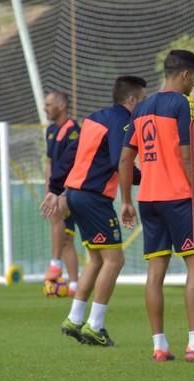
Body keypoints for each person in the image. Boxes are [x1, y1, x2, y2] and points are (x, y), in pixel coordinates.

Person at [119, 50, 194, 363]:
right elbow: (187, 157)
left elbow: (126, 158)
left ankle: (160, 345)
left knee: (156, 271)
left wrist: (125, 201)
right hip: (178, 197)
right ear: (186, 75)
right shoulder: (184, 104)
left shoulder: (140, 109)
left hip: (148, 199)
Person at [49, 76, 146, 346]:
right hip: (93, 198)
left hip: (76, 195)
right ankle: (95, 325)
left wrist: (56, 187)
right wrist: (148, 177)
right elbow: (121, 161)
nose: (144, 104)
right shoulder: (123, 122)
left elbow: (70, 154)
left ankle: (75, 318)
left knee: (96, 259)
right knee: (115, 261)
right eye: (143, 99)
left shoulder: (94, 118)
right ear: (132, 100)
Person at [40, 91, 79, 294]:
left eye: (48, 104)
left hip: (69, 190)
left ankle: (55, 264)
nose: (45, 108)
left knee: (57, 221)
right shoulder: (50, 131)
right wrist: (48, 189)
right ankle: (74, 285)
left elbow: (74, 163)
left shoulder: (74, 130)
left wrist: (63, 192)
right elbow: (50, 162)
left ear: (61, 106)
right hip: (55, 190)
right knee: (66, 239)